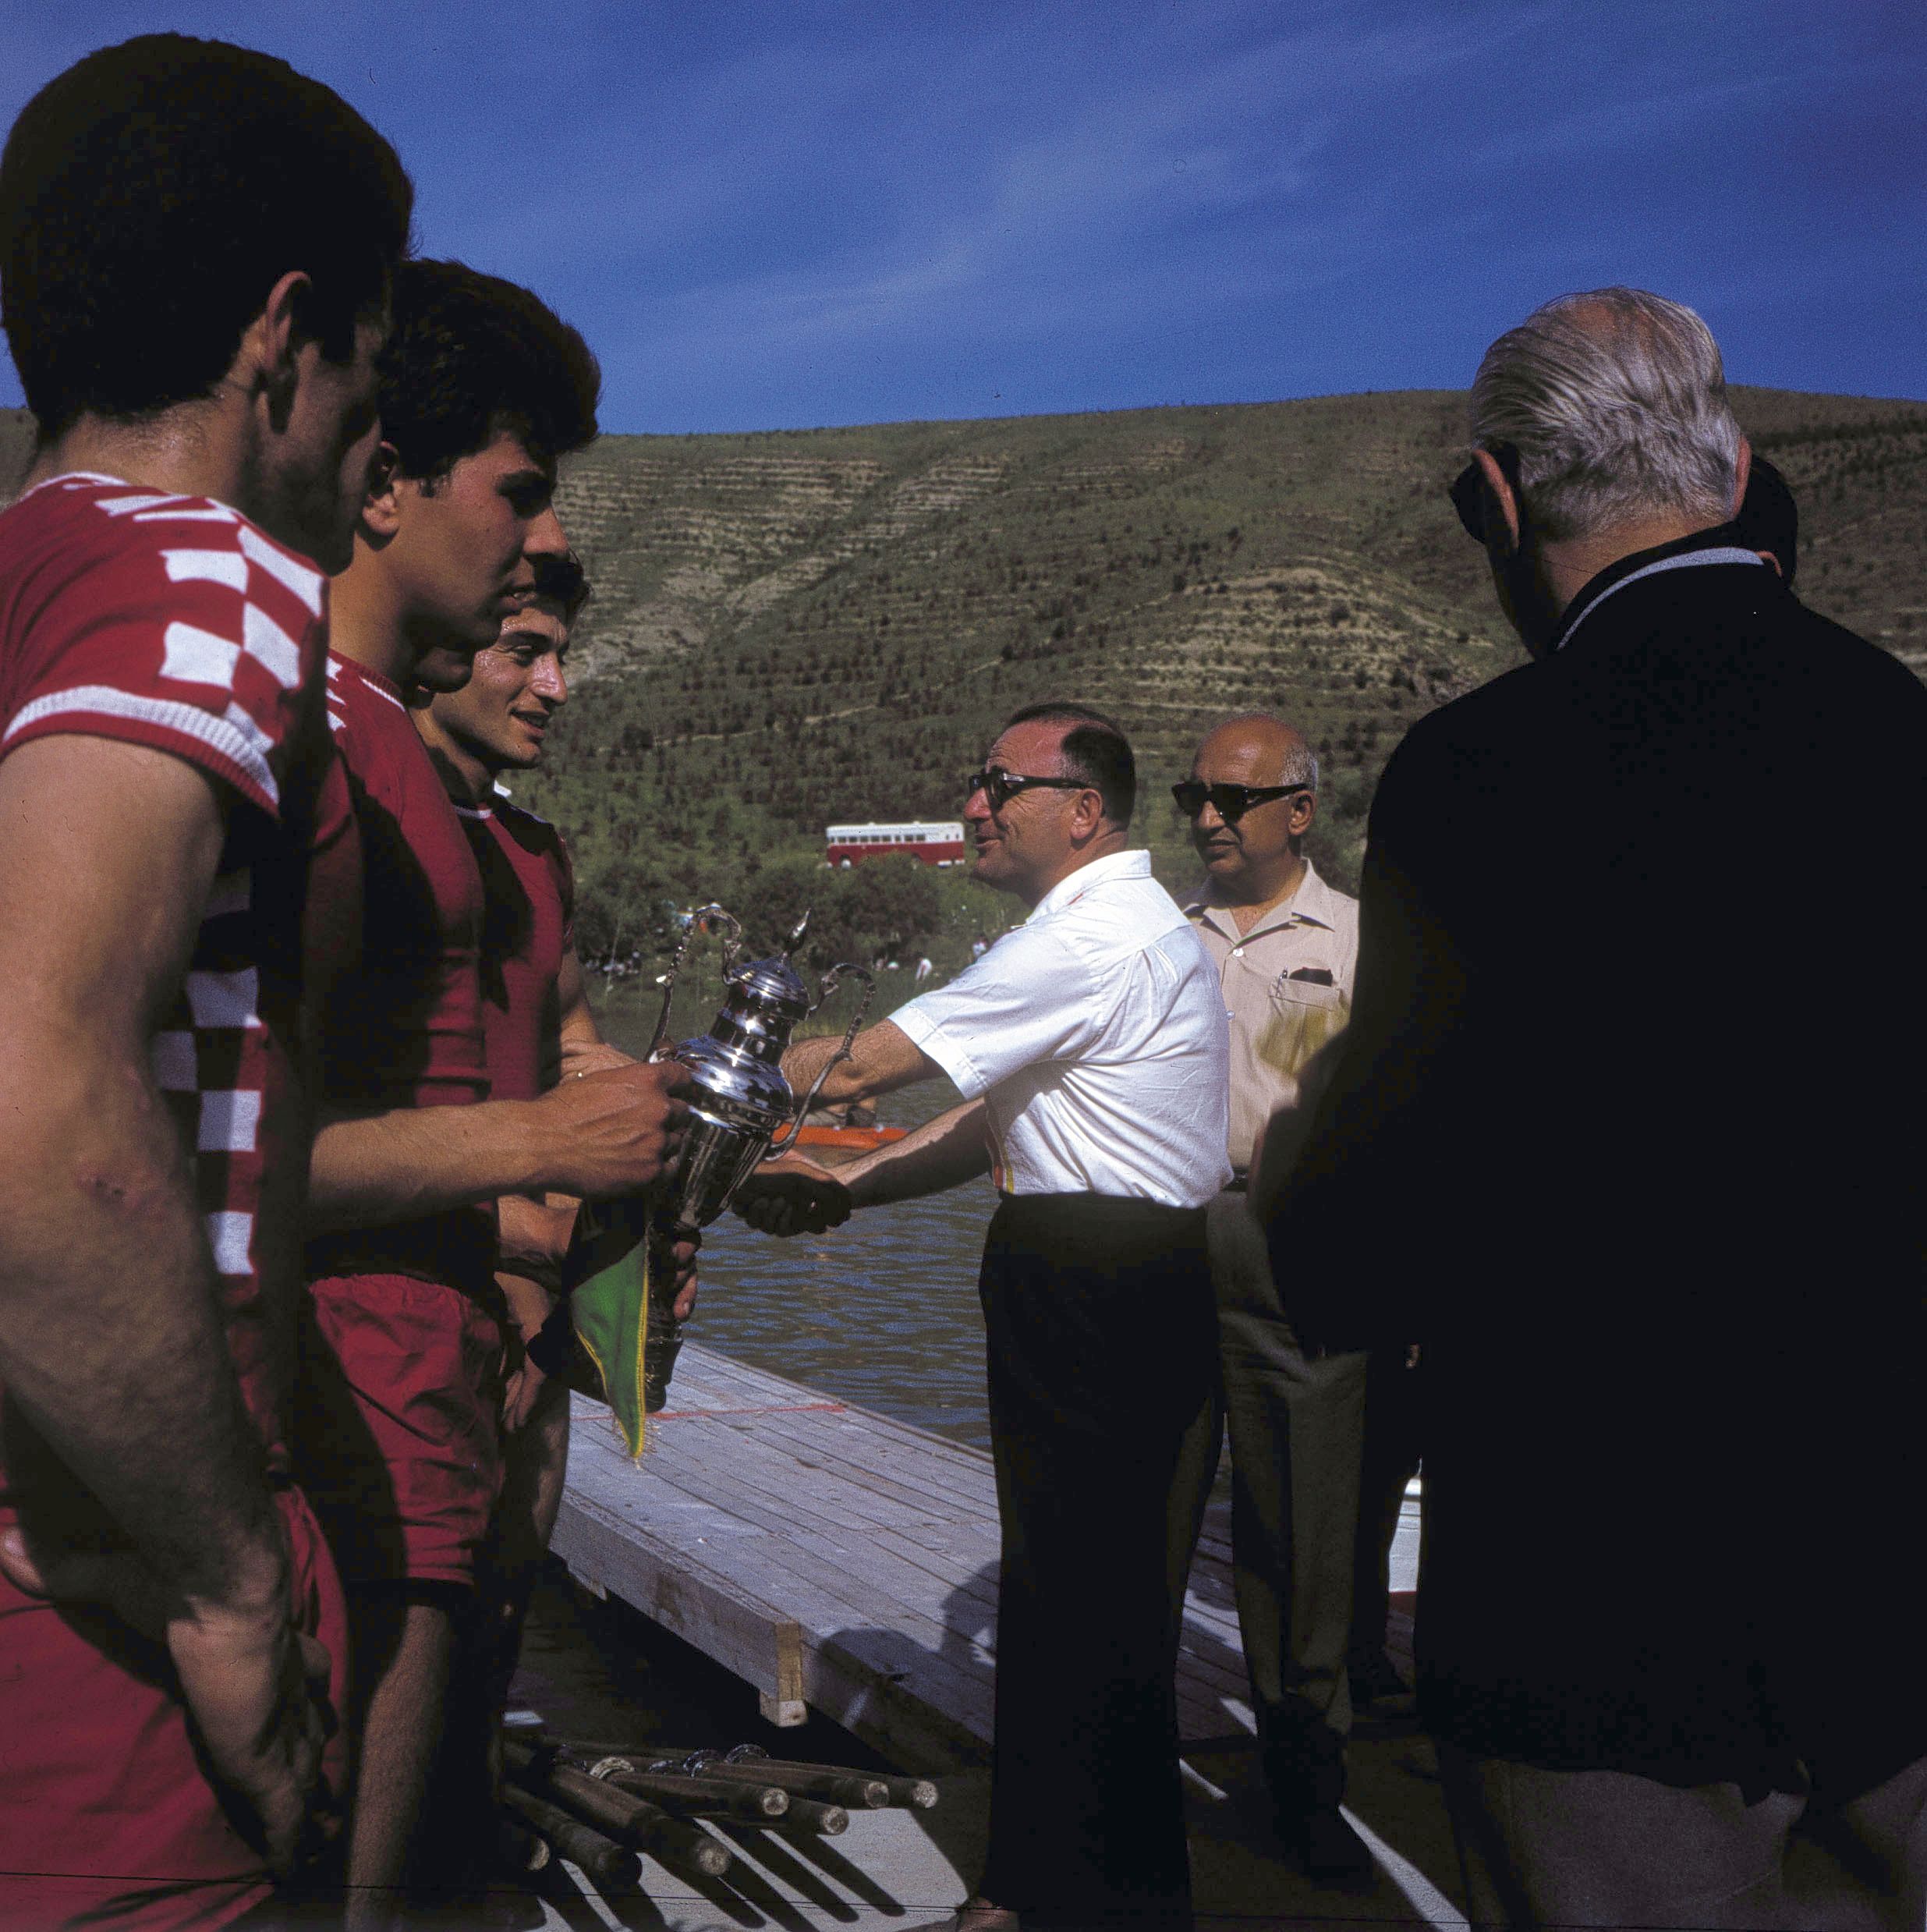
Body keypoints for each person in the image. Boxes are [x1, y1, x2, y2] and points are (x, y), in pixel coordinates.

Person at [1263, 287, 1927, 1928]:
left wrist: (1301, 1181)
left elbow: (1371, 1216)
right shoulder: (1905, 732)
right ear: (1738, 461)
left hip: (1603, 1618)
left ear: (1496, 498)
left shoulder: (1482, 772)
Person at [0, 34, 411, 1929]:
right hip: (90, 1642)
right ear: (283, 334)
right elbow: (30, 1106)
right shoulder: (208, 574)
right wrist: (234, 1591)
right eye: (374, 371)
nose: (365, 438)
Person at [297, 260, 691, 1923]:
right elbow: (213, 1144)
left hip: (471, 1353)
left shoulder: (491, 833)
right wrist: (534, 1155)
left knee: (439, 1738)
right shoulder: (320, 748)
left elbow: (553, 1038)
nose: (545, 667)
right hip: (355, 1377)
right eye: (518, 502)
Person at [739, 702, 1229, 1932]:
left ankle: (1038, 1895)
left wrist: (694, 1067)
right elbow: (987, 1118)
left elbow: (861, 1066)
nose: (972, 805)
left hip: (1088, 1280)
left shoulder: (1086, 937)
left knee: (1071, 1595)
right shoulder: (1124, 926)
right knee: (1104, 1597)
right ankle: (1110, 1884)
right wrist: (847, 1188)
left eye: (994, 783)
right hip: (1140, 1272)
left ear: (1080, 809)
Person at [1164, 713, 1375, 1883]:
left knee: (1306, 1527)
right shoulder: (1160, 934)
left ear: (1298, 809)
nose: (1207, 818)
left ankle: (1305, 1776)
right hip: (1167, 1234)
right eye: (1196, 795)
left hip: (1302, 1243)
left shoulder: (1361, 939)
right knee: (1154, 1500)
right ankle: (1127, 1759)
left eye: (1233, 799)